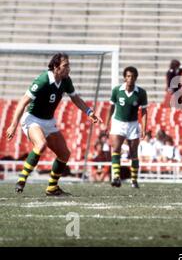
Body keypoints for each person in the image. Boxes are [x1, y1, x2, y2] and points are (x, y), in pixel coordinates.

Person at [5, 53, 101, 196]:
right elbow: (23, 102)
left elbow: (75, 98)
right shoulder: (43, 79)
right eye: (65, 66)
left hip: (48, 121)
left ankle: (52, 188)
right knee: (41, 144)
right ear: (56, 67)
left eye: (69, 65)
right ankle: (22, 179)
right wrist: (13, 125)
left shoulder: (66, 80)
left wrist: (89, 112)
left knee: (64, 154)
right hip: (32, 119)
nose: (68, 68)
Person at [105, 66, 147, 189]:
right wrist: (107, 123)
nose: (130, 78)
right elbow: (111, 107)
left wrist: (144, 128)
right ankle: (116, 177)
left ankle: (134, 180)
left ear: (136, 78)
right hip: (118, 123)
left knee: (133, 153)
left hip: (133, 124)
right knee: (116, 149)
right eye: (128, 76)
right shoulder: (117, 90)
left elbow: (144, 111)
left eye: (133, 76)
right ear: (124, 77)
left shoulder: (141, 93)